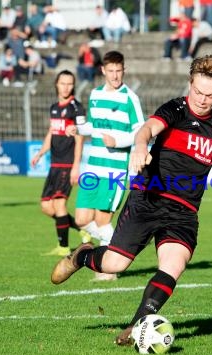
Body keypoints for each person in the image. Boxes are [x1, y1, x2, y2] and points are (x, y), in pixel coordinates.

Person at [50, 55, 212, 345]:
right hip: (149, 198)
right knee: (115, 264)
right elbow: (147, 129)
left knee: (174, 265)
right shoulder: (175, 109)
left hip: (184, 211)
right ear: (190, 83)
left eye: (211, 95)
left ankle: (136, 327)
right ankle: (82, 256)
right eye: (198, 92)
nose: (203, 100)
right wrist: (140, 147)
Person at [63, 50, 145, 281]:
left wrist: (118, 141)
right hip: (93, 167)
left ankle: (110, 268)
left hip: (114, 169)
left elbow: (141, 132)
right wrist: (77, 129)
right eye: (111, 71)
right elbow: (93, 125)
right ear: (103, 71)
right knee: (80, 219)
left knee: (102, 220)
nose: (116, 75)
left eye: (119, 71)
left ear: (124, 70)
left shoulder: (130, 98)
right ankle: (114, 246)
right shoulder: (96, 94)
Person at [30, 70, 90, 256]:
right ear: (56, 84)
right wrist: (40, 153)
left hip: (67, 164)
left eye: (70, 83)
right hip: (54, 164)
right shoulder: (54, 107)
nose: (66, 87)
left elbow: (80, 138)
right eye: (63, 83)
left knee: (59, 204)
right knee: (46, 207)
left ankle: (63, 248)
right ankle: (82, 230)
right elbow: (52, 132)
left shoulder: (76, 108)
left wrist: (76, 166)